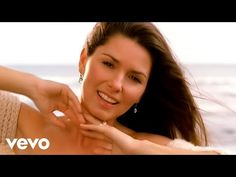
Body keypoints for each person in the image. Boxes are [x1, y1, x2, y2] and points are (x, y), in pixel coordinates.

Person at [0, 22, 226, 154]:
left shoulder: (142, 146)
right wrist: (32, 85)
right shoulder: (15, 122)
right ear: (83, 60)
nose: (117, 85)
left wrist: (134, 148)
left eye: (134, 78)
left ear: (143, 91)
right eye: (108, 64)